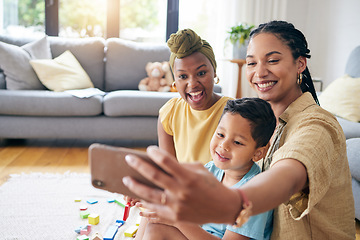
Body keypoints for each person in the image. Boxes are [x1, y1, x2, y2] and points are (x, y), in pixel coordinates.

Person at [122, 20, 356, 240]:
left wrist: (237, 199)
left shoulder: (315, 125)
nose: (260, 72)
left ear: (300, 64)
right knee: (154, 223)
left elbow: (287, 177)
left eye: (272, 60)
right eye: (252, 63)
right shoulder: (265, 120)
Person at [135, 98, 276, 240]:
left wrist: (177, 221)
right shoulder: (211, 170)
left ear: (258, 153)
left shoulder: (254, 196)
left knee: (157, 229)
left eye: (237, 142)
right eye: (220, 134)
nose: (223, 145)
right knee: (154, 212)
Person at [158, 28, 232, 165]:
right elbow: (169, 170)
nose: (192, 84)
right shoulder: (169, 113)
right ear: (175, 80)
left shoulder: (233, 111)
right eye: (183, 76)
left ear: (214, 72)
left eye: (201, 73)